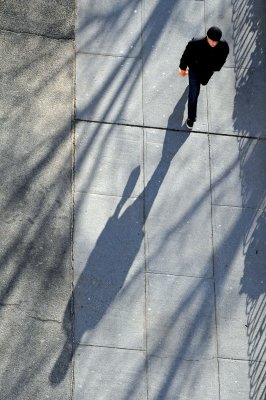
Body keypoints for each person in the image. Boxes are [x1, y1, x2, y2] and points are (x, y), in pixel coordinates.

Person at [179, 26, 229, 129]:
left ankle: (192, 87)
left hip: (207, 73)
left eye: (216, 41)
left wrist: (214, 67)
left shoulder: (223, 46)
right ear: (207, 37)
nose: (214, 43)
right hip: (194, 71)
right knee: (194, 94)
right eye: (212, 41)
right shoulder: (195, 44)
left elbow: (221, 60)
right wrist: (183, 67)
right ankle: (191, 118)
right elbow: (186, 56)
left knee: (203, 83)